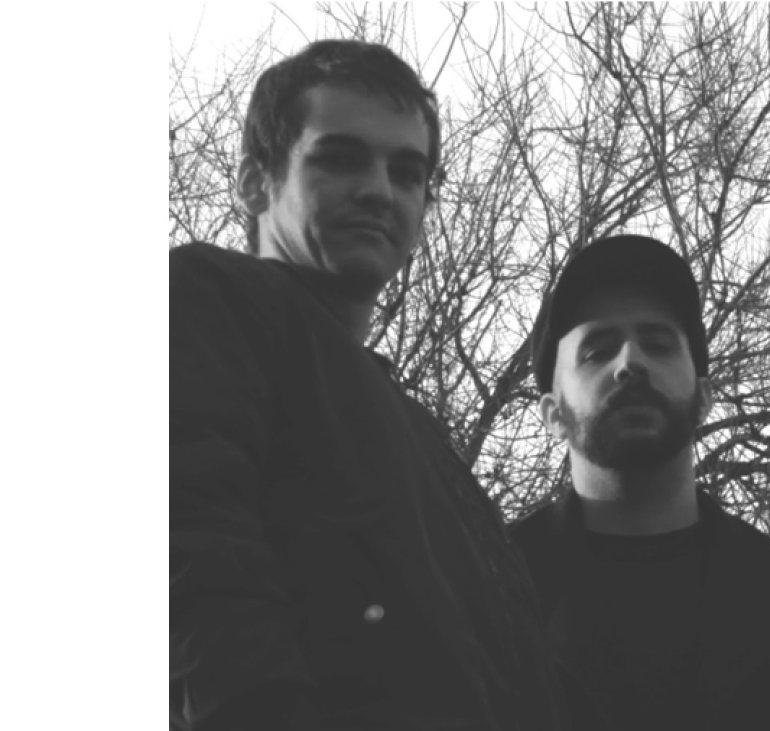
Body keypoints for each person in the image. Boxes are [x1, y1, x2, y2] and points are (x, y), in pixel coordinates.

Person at [170, 39, 568, 731]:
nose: (381, 190)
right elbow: (190, 552)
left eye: (408, 173)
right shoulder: (207, 301)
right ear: (255, 182)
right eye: (340, 158)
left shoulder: (420, 438)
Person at [510, 234, 770, 731]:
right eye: (596, 351)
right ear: (553, 414)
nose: (630, 363)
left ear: (704, 399)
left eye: (658, 345)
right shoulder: (484, 595)